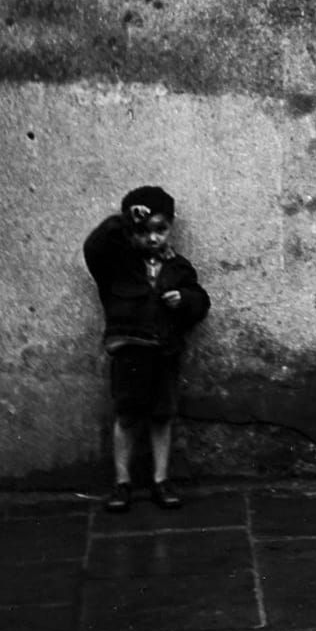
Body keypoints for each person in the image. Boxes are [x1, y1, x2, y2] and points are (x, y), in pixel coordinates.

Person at [83, 185, 210, 513]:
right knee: (127, 415)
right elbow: (94, 247)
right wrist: (121, 222)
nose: (153, 239)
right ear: (131, 231)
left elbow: (200, 301)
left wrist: (185, 300)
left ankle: (161, 480)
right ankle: (122, 482)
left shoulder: (178, 267)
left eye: (160, 230)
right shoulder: (116, 265)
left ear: (170, 227)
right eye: (143, 231)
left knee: (162, 416)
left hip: (165, 354)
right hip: (130, 352)